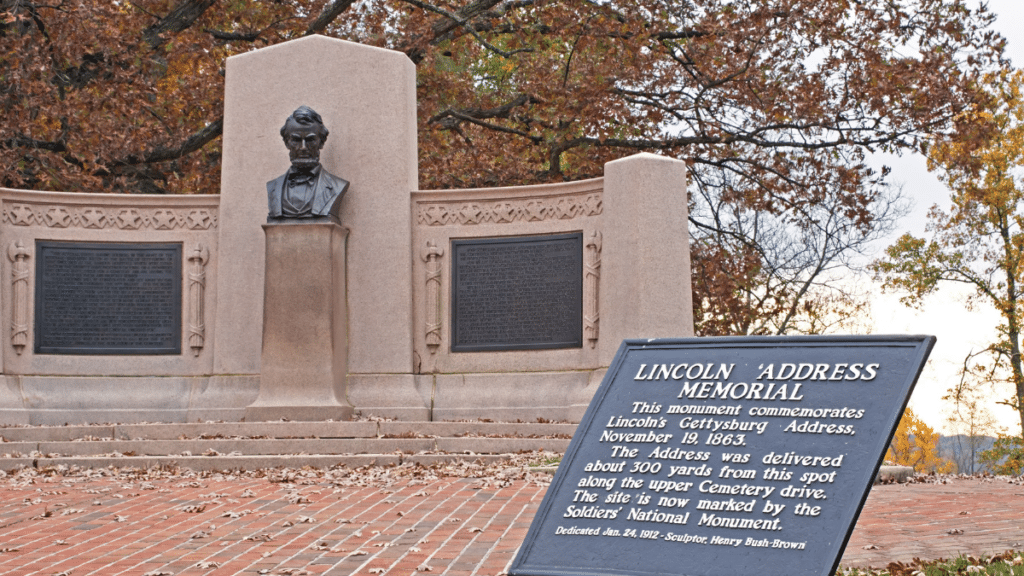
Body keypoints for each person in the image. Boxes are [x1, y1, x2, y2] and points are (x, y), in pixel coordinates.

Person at [266, 106, 349, 222]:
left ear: (321, 143)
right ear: (286, 143)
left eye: (310, 140)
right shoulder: (273, 187)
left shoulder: (337, 186)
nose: (303, 147)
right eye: (296, 140)